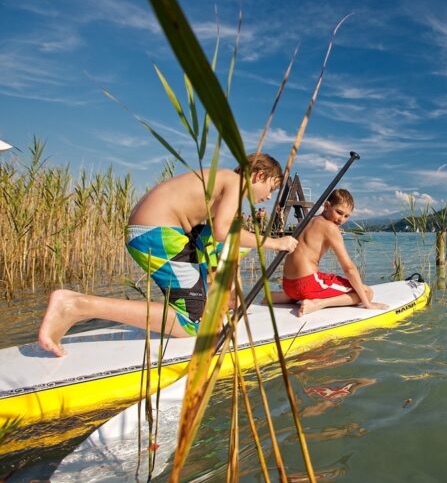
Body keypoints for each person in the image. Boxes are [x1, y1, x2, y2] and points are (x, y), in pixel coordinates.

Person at [38, 153, 298, 357]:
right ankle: (76, 305)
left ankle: (208, 301)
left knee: (213, 249)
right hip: (157, 234)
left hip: (158, 231)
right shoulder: (234, 183)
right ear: (258, 176)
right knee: (191, 324)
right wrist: (276, 243)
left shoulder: (219, 184)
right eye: (272, 189)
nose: (268, 197)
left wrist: (224, 293)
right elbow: (222, 232)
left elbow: (215, 242)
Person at [281, 189, 388, 316]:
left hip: (288, 286)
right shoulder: (330, 227)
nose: (341, 219)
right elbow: (348, 268)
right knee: (367, 292)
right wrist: (367, 303)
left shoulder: (306, 221)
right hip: (306, 285)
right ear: (327, 206)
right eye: (339, 212)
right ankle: (318, 304)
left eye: (346, 216)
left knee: (325, 278)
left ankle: (279, 297)